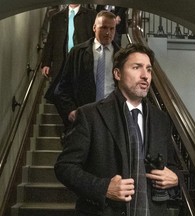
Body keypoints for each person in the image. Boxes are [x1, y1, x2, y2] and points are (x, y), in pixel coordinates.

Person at [54, 43, 182, 216]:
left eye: (149, 69)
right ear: (117, 73)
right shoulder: (89, 115)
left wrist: (174, 177)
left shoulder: (161, 119)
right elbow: (65, 167)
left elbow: (172, 167)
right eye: (136, 67)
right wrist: (104, 188)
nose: (145, 76)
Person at [54, 11, 120, 129]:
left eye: (112, 29)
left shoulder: (121, 56)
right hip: (85, 116)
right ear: (94, 27)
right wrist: (70, 111)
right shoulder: (77, 52)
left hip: (113, 117)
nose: (108, 33)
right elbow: (62, 88)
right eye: (104, 28)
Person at [41, 4, 96, 101]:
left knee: (80, 91)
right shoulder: (57, 17)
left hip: (82, 60)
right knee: (60, 92)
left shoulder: (90, 15)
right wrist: (46, 63)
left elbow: (94, 39)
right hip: (62, 59)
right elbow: (50, 41)